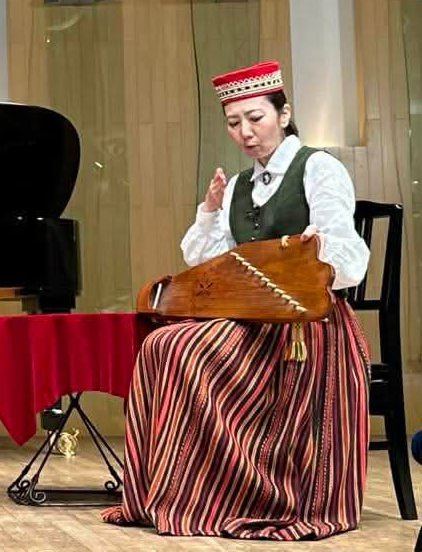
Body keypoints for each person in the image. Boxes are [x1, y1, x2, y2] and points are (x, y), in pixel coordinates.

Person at [102, 60, 370, 540]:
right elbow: (209, 263)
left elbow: (351, 256)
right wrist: (209, 210)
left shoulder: (318, 167)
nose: (245, 132)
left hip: (306, 329)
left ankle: (235, 493)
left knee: (184, 350)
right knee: (159, 344)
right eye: (233, 123)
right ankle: (191, 492)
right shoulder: (238, 187)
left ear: (283, 114)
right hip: (249, 321)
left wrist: (317, 253)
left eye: (255, 118)